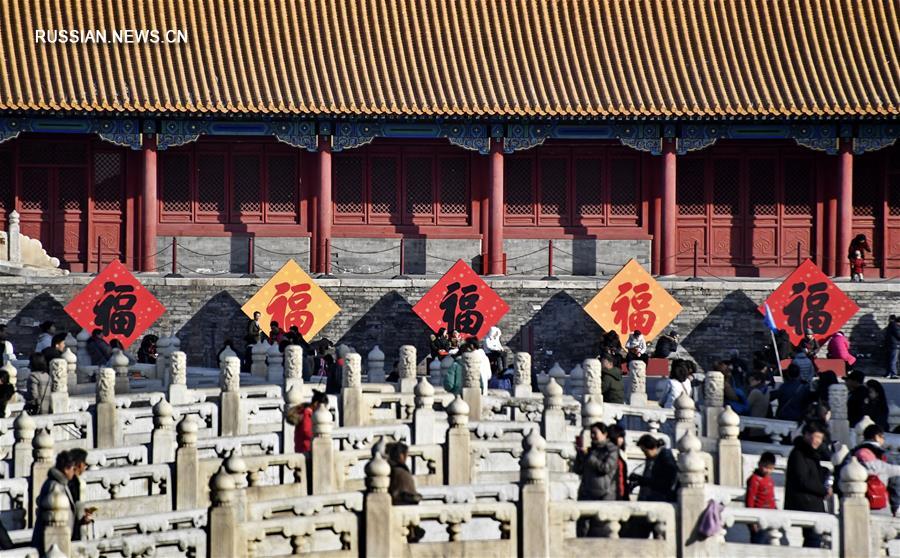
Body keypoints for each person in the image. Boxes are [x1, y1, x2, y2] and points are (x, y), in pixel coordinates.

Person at [31, 450, 94, 550]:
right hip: (54, 543)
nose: (74, 472)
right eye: (73, 469)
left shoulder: (60, 484)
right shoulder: (55, 487)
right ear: (66, 469)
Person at [785, 422, 830, 548]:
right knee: (813, 539)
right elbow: (803, 480)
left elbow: (815, 475)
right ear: (806, 435)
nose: (817, 441)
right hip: (805, 503)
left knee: (814, 538)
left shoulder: (812, 454)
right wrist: (824, 490)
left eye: (820, 438)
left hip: (812, 503)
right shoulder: (799, 453)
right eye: (815, 437)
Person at [573, 422, 619, 535]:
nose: (592, 436)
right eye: (591, 434)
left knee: (599, 530)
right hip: (586, 493)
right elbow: (578, 470)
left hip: (603, 495)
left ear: (605, 434)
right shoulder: (591, 450)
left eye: (595, 433)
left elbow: (605, 468)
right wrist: (580, 454)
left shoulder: (611, 450)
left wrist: (590, 456)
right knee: (582, 529)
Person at [851, 424, 900, 515]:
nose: (883, 441)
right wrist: (896, 505)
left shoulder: (853, 453)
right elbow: (895, 481)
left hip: (854, 501)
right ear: (877, 437)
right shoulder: (884, 455)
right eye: (883, 438)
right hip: (880, 500)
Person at [387, 442, 425, 541]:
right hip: (402, 511)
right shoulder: (400, 472)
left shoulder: (392, 469)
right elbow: (400, 494)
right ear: (401, 455)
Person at [631, 435, 678, 502]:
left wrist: (643, 480)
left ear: (651, 447)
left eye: (645, 451)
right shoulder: (654, 458)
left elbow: (664, 480)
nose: (645, 454)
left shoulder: (665, 456)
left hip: (664, 496)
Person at [745, 452, 777, 543]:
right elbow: (750, 500)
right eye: (766, 467)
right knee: (758, 543)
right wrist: (752, 521)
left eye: (771, 468)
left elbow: (772, 498)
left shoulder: (769, 480)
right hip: (758, 518)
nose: (768, 471)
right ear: (759, 464)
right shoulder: (754, 479)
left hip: (769, 517)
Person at [606, 424, 629, 501]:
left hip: (621, 494)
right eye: (619, 437)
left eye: (622, 437)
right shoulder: (606, 453)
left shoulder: (620, 454)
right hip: (611, 495)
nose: (621, 440)